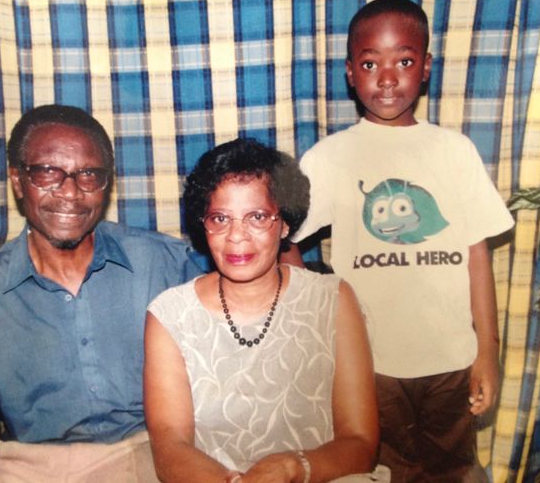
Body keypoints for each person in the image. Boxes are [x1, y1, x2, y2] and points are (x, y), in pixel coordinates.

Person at [282, 0, 515, 481]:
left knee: (453, 469)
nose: (387, 79)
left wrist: (487, 353)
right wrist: (317, 311)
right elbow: (285, 238)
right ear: (350, 72)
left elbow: (477, 255)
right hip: (371, 365)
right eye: (370, 64)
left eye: (404, 61)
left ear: (425, 67)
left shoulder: (454, 151)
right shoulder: (330, 157)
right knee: (382, 470)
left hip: (450, 359)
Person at [0, 105, 202, 483]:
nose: (70, 192)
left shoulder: (165, 264)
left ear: (106, 183)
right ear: (18, 181)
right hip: (36, 465)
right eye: (47, 172)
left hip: (153, 452)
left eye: (88, 174)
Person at [144, 138, 389, 483]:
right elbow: (170, 448)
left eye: (257, 217)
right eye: (220, 218)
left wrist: (294, 468)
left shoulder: (333, 299)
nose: (236, 237)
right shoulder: (171, 315)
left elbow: (361, 443)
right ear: (204, 224)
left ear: (285, 223)